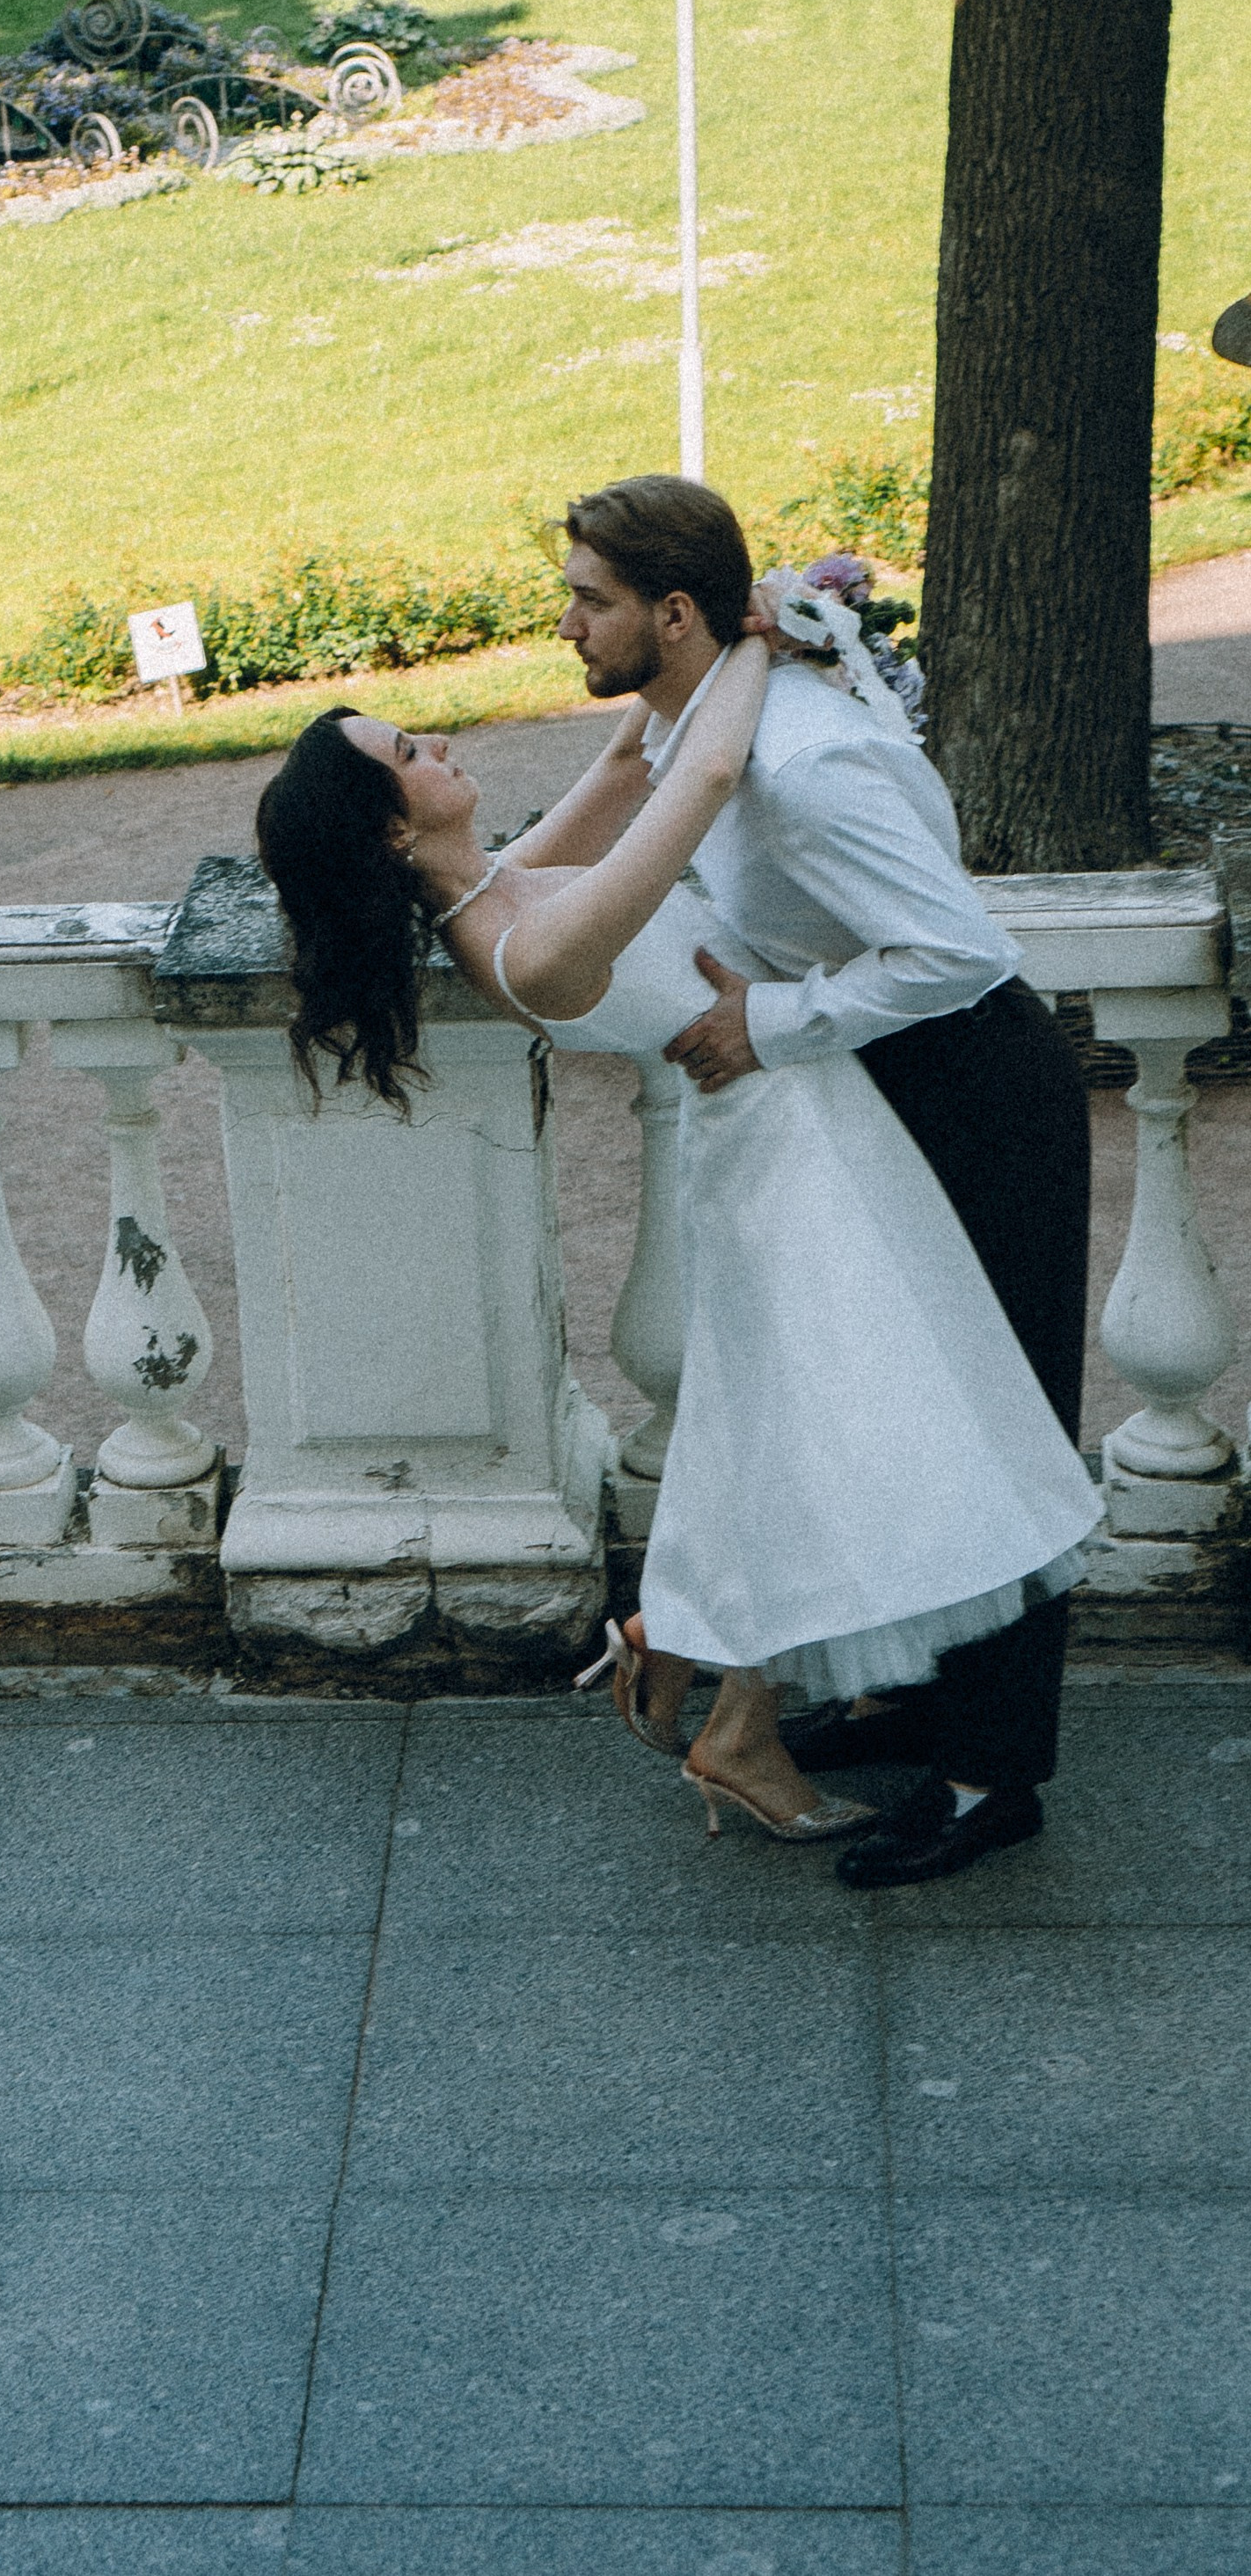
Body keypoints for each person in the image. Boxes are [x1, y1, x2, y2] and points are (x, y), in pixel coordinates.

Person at [254, 542, 1101, 1886]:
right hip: (791, 1166)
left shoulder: (507, 876)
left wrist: (760, 608)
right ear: (390, 832)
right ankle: (758, 1691)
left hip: (814, 1133)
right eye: (411, 749)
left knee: (804, 1438)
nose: (441, 741)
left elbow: (635, 758)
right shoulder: (531, 940)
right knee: (874, 1437)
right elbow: (698, 776)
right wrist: (753, 639)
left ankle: (728, 1669)